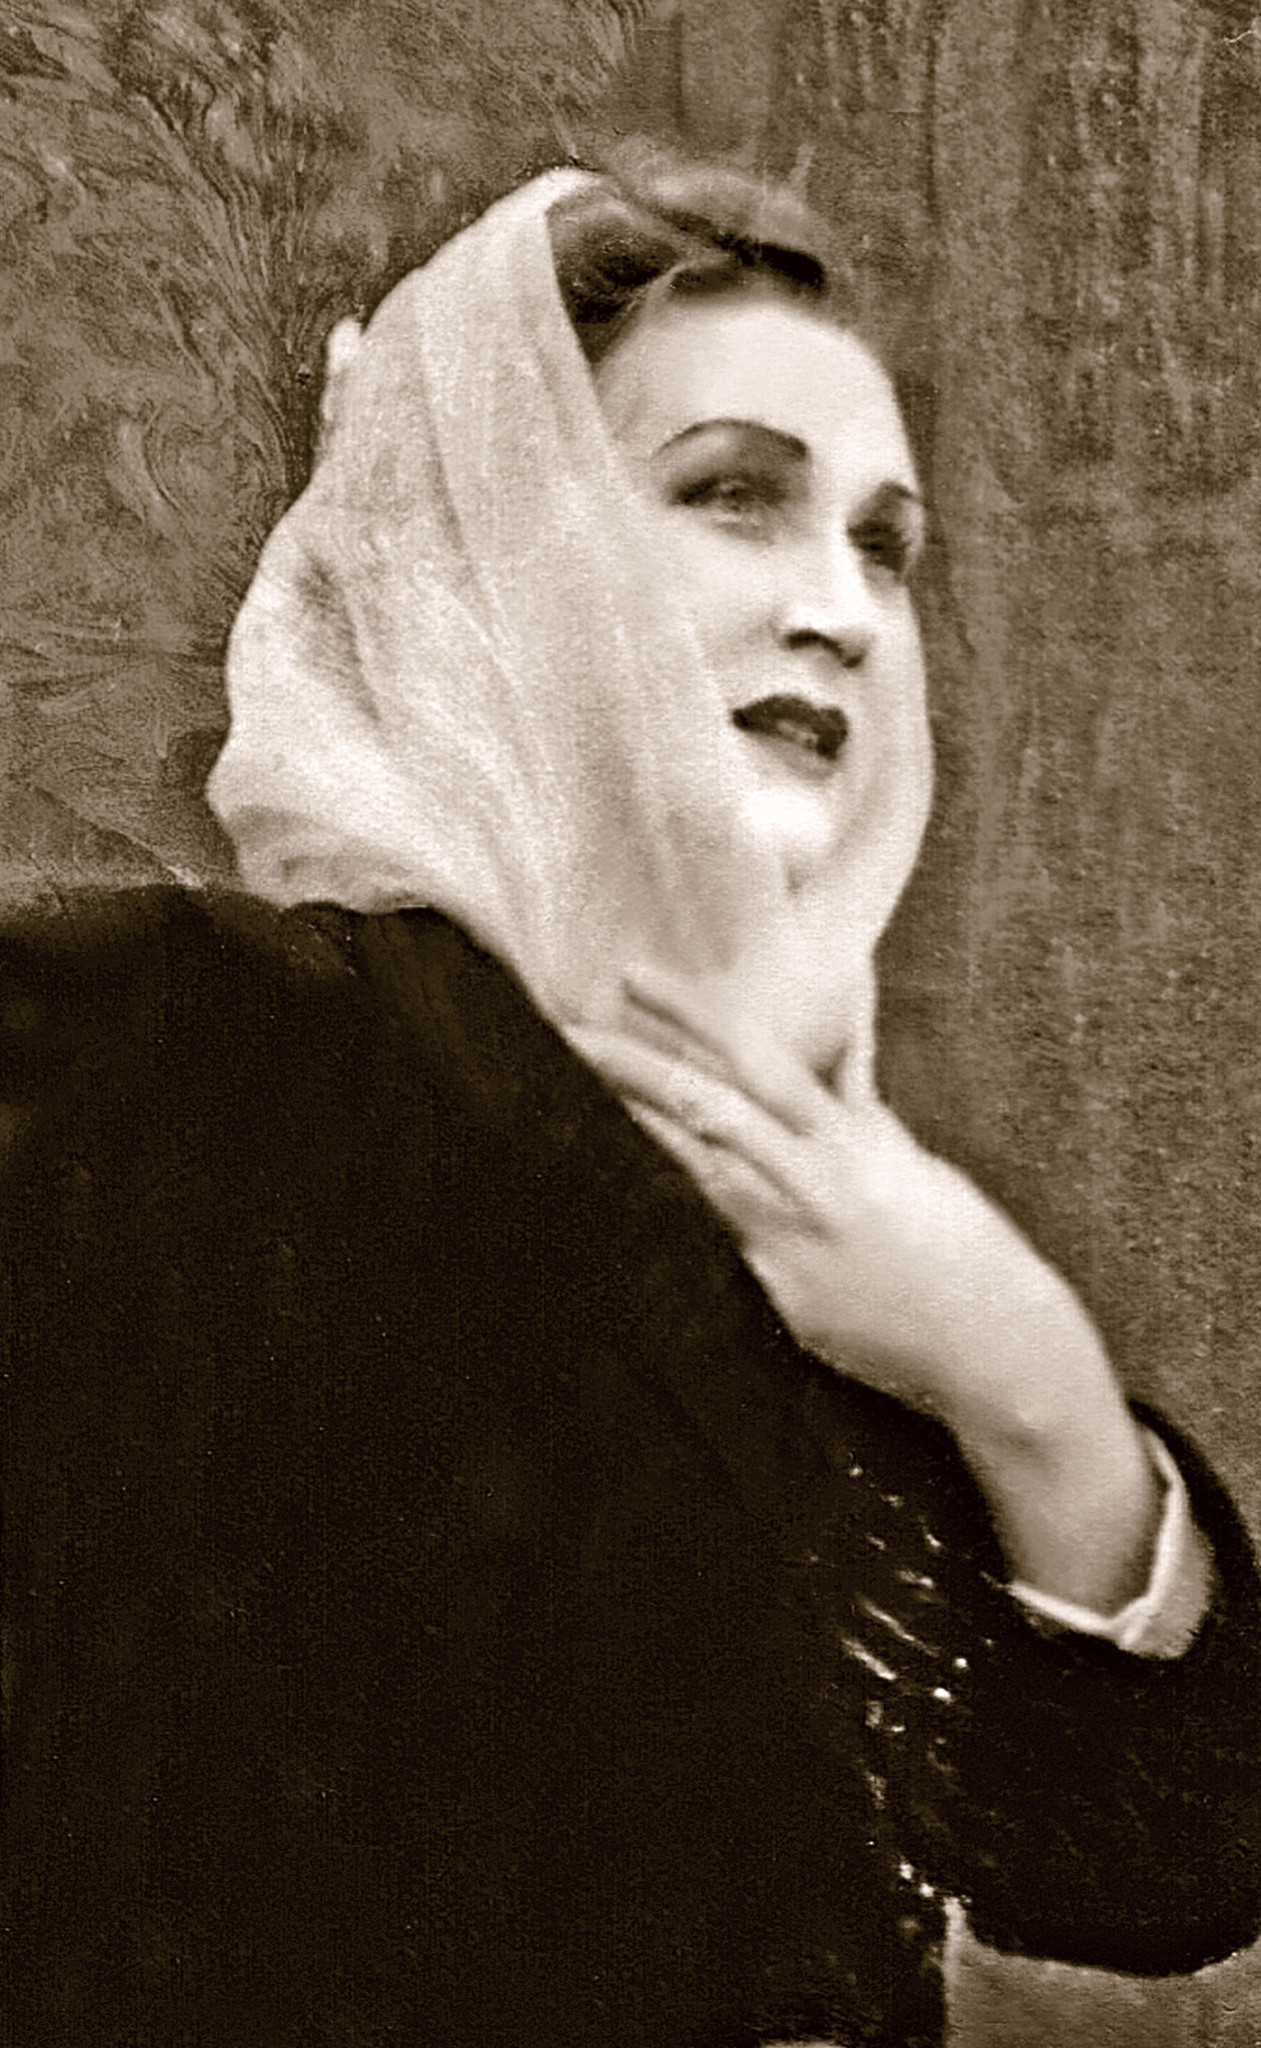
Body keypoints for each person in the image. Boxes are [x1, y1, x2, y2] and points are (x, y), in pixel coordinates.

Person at [2, 152, 1259, 2048]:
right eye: (734, 492)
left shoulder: (839, 1223)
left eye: (884, 544)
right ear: (475, 541)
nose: (841, 608)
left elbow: (1145, 1876)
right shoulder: (145, 1046)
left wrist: (1026, 1378)